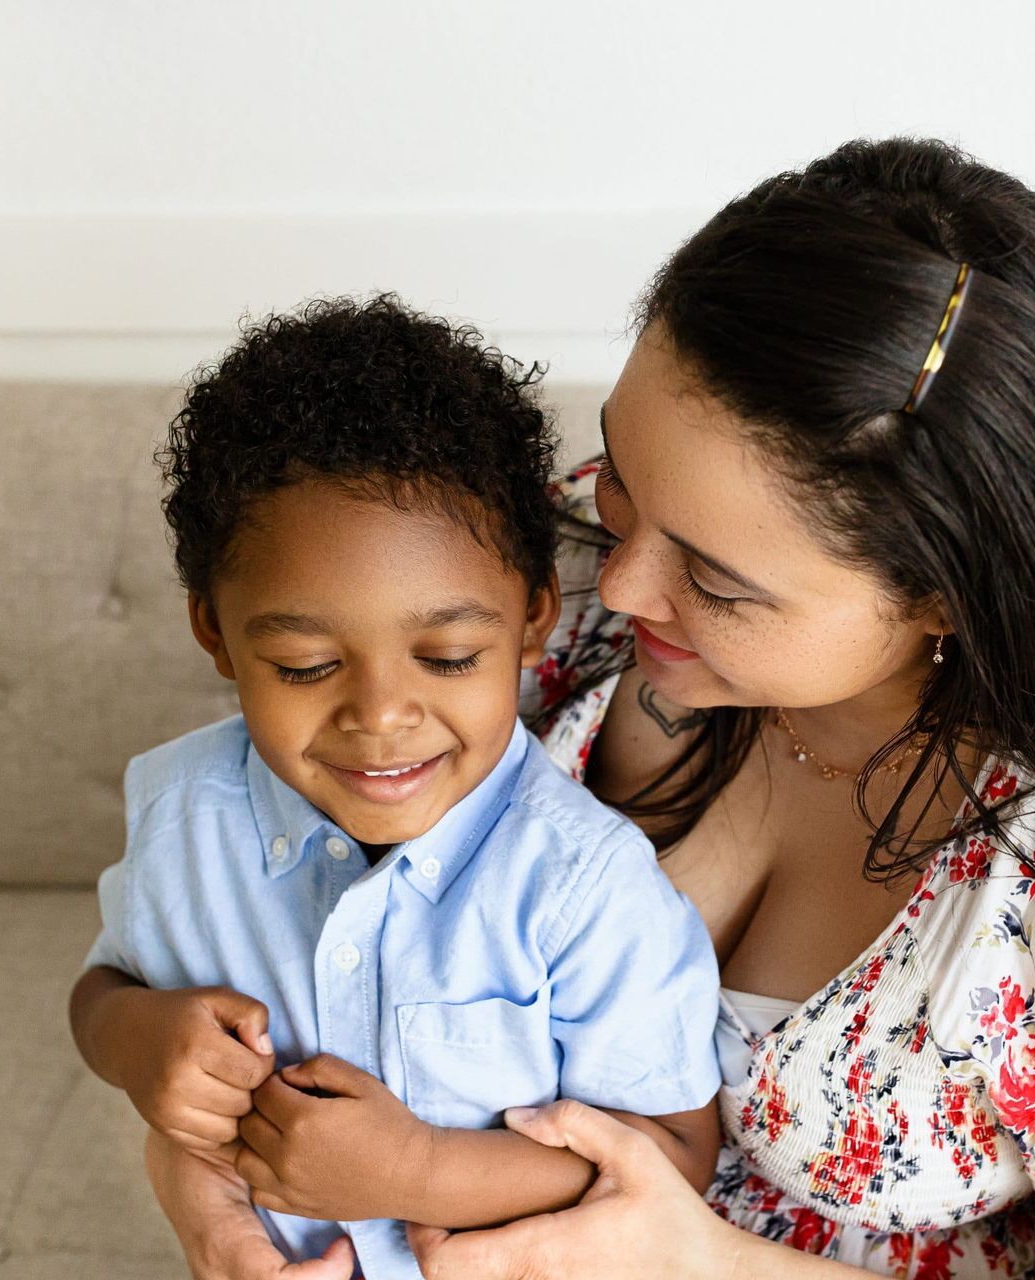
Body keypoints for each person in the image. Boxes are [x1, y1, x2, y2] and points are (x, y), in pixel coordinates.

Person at [147, 140, 1035, 1279]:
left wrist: (700, 1265)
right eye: (621, 483)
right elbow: (287, 926)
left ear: (947, 593)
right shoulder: (567, 614)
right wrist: (209, 1188)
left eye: (718, 578)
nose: (618, 579)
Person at [66, 297, 722, 1279]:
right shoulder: (181, 816)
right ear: (214, 630)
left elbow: (671, 1153)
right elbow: (101, 986)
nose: (379, 715)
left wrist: (417, 1167)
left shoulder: (584, 885)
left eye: (449, 655)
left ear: (535, 611)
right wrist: (131, 1038)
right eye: (302, 664)